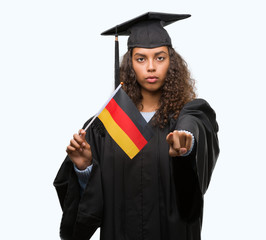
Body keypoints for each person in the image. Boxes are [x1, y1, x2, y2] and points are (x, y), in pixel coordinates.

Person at [54, 12, 219, 240]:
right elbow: (85, 216)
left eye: (160, 58)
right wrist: (85, 169)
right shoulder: (107, 126)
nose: (151, 67)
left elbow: (194, 124)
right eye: (141, 58)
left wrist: (186, 146)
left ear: (172, 63)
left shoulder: (185, 116)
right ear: (130, 65)